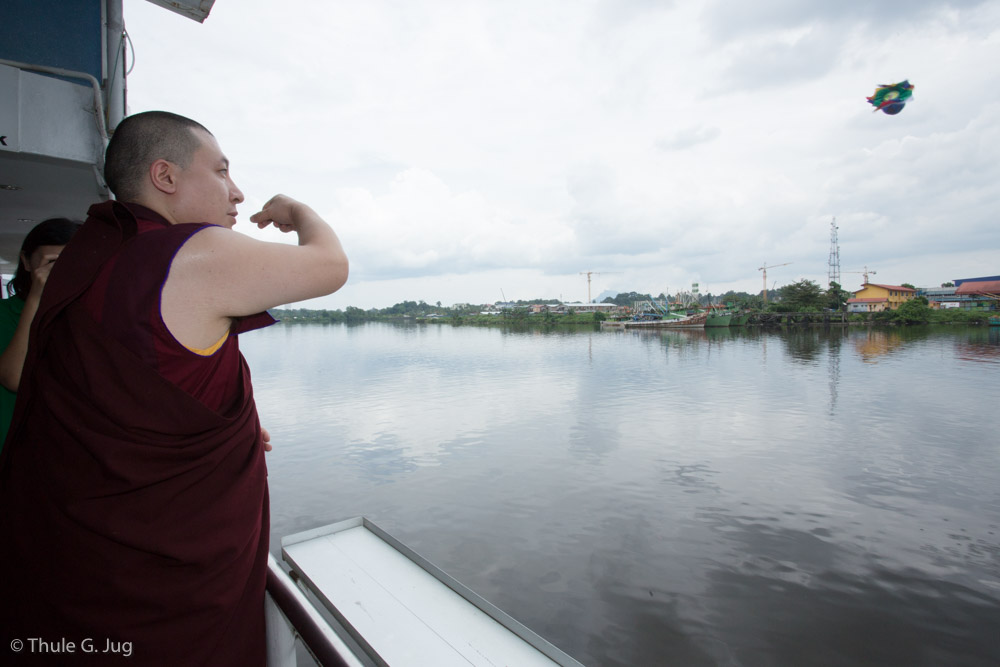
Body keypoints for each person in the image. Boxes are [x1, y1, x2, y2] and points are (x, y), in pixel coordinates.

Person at [0, 111, 348, 665]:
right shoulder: (190, 252)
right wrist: (297, 211)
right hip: (170, 587)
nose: (236, 193)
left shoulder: (87, 259)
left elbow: (126, 382)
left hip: (83, 560)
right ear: (165, 177)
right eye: (221, 172)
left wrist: (221, 417)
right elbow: (329, 266)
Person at [0, 218, 80, 449]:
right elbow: (14, 378)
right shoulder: (5, 314)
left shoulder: (90, 317)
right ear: (26, 261)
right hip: (13, 448)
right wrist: (36, 297)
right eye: (53, 262)